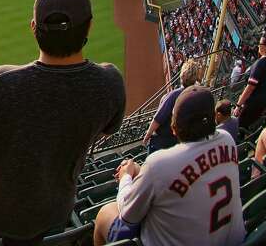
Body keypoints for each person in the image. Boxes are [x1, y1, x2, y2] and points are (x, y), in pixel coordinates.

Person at [0, 0, 126, 246]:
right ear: (89, 25)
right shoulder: (110, 81)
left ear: (34, 28)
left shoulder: (2, 81)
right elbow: (108, 128)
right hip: (49, 209)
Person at [92, 86, 245, 246]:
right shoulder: (227, 139)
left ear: (174, 128)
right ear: (214, 117)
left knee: (105, 213)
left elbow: (127, 216)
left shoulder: (158, 164)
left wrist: (126, 177)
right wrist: (140, 171)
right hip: (232, 239)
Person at [143, 58, 201, 154]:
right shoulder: (196, 93)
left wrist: (148, 135)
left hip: (163, 142)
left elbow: (158, 118)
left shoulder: (173, 95)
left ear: (182, 76)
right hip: (181, 141)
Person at [233, 31, 266, 131]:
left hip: (253, 101)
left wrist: (238, 105)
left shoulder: (260, 63)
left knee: (239, 126)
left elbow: (250, 87)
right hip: (264, 98)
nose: (258, 46)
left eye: (260, 44)